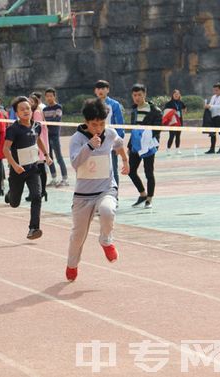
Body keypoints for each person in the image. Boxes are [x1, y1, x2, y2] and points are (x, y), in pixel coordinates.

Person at [65, 99, 129, 282]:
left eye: (102, 123)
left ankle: (106, 240)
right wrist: (90, 146)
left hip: (106, 188)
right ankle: (72, 264)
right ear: (86, 122)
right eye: (94, 124)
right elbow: (75, 163)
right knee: (78, 236)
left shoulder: (110, 133)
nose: (99, 128)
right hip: (83, 195)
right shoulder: (76, 139)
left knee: (108, 211)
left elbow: (118, 144)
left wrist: (125, 160)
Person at [3, 96, 52, 240]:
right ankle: (10, 194)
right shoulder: (13, 129)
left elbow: (38, 139)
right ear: (17, 113)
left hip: (33, 169)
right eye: (22, 109)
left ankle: (34, 228)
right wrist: (15, 165)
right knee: (14, 203)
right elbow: (5, 149)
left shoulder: (36, 125)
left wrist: (47, 155)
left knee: (37, 196)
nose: (26, 111)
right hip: (18, 171)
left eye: (28, 108)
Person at [128, 84, 162, 209]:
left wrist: (145, 139)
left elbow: (157, 129)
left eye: (139, 95)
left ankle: (149, 199)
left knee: (149, 173)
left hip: (148, 146)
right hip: (135, 146)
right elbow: (132, 129)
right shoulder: (134, 110)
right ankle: (142, 194)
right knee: (131, 171)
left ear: (145, 95)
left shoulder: (155, 111)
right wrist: (130, 145)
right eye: (135, 95)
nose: (137, 98)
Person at [94, 80, 125, 187]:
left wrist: (118, 144)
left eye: (103, 88)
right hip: (96, 142)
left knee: (113, 168)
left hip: (111, 142)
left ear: (108, 90)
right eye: (98, 89)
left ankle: (115, 195)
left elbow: (120, 125)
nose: (100, 91)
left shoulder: (114, 105)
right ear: (95, 91)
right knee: (98, 168)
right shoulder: (92, 105)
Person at [43, 88, 68, 187]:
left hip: (55, 136)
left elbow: (56, 119)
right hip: (46, 136)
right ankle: (54, 178)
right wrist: (48, 120)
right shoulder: (44, 109)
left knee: (59, 157)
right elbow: (44, 121)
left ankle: (64, 179)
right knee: (49, 158)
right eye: (47, 96)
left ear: (54, 96)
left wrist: (48, 121)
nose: (49, 98)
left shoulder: (58, 107)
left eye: (51, 96)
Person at [205, 83, 220, 154]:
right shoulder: (213, 97)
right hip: (212, 117)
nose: (215, 92)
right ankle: (212, 149)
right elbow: (211, 105)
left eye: (216, 90)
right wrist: (207, 107)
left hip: (219, 117)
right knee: (212, 134)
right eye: (214, 90)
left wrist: (211, 106)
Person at [163, 89, 186, 154]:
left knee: (178, 135)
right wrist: (173, 112)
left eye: (177, 94)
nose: (176, 95)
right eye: (175, 94)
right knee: (171, 135)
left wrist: (183, 112)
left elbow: (184, 107)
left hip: (179, 121)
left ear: (179, 95)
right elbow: (165, 111)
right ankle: (168, 149)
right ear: (172, 95)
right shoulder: (169, 103)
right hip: (173, 122)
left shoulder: (180, 102)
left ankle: (177, 149)